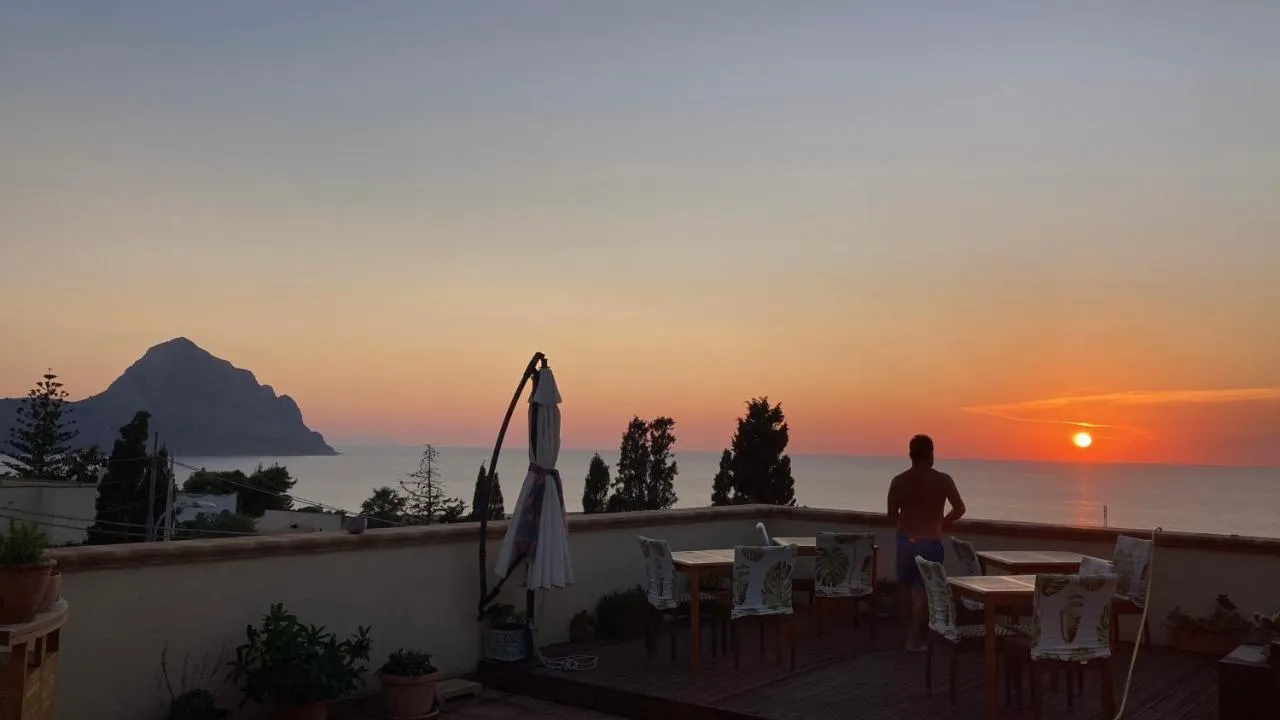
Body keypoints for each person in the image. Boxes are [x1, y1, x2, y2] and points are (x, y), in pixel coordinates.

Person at [887, 434, 965, 652]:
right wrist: (943, 522)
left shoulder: (899, 481)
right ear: (931, 454)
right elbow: (959, 508)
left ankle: (908, 634)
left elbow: (891, 515)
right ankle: (913, 639)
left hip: (905, 540)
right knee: (924, 591)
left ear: (910, 454)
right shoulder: (943, 480)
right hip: (930, 541)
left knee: (904, 587)